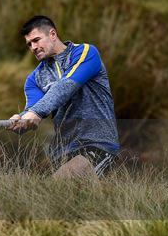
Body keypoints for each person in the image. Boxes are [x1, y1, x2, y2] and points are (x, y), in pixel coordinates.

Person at [8, 15, 120, 178]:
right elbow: (33, 109)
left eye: (37, 40)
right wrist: (22, 120)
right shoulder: (34, 79)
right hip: (62, 152)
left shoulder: (85, 52)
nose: (33, 47)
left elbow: (66, 86)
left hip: (97, 144)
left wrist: (36, 112)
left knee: (57, 186)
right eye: (29, 44)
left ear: (52, 34)